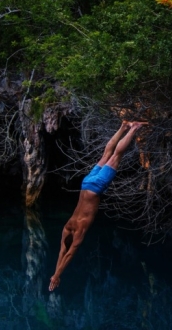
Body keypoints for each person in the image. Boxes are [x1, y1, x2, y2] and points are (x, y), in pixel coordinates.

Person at [48, 121, 148, 291]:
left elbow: (68, 254)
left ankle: (133, 129)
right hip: (85, 184)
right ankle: (123, 127)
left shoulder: (78, 232)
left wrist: (57, 276)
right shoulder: (67, 228)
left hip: (95, 189)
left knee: (116, 156)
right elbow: (61, 253)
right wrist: (55, 275)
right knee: (106, 154)